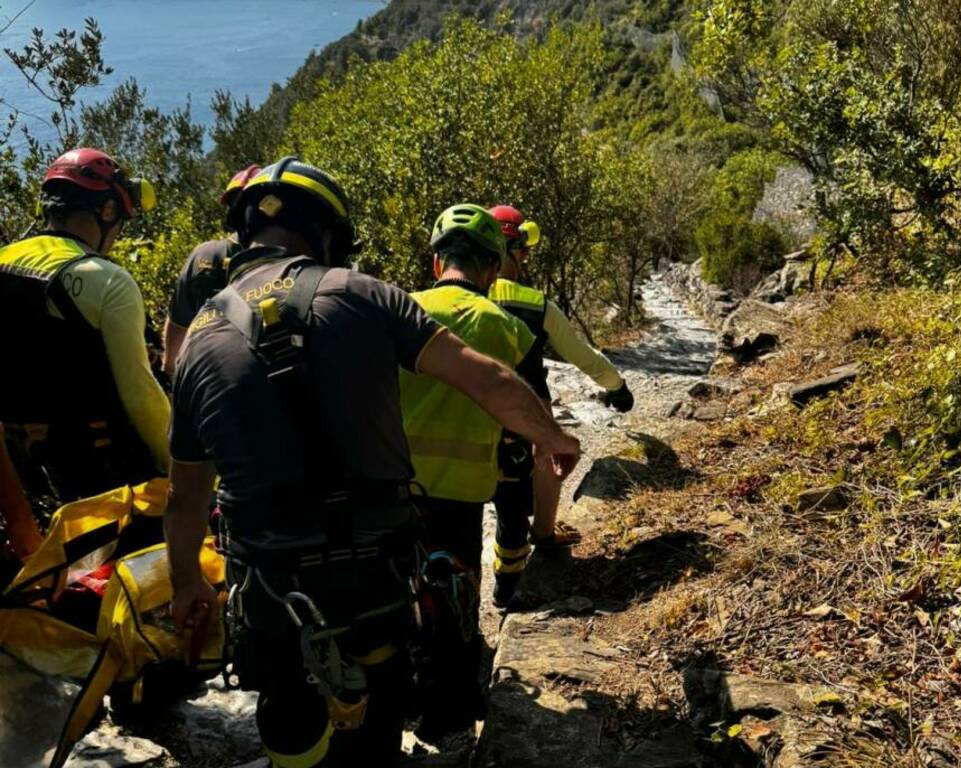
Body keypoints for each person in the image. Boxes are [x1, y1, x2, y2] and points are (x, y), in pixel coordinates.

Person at [164, 162, 579, 768]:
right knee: (378, 707)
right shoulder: (362, 295)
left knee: (286, 711)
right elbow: (484, 377)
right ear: (327, 234)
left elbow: (186, 497)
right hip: (372, 568)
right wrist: (552, 437)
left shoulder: (199, 336)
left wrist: (186, 584)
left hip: (269, 579)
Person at [398, 203, 550, 740]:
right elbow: (534, 417)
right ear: (492, 268)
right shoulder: (507, 328)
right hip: (461, 494)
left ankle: (404, 701)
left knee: (400, 600)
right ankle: (451, 716)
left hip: (392, 491)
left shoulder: (396, 312)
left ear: (438, 264)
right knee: (456, 604)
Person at [486, 204, 634, 607]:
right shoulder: (535, 304)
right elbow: (581, 356)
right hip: (528, 411)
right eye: (525, 251)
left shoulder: (453, 296)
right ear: (514, 250)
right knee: (549, 454)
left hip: (465, 414)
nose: (527, 259)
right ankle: (545, 532)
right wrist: (616, 387)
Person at [0, 148, 166, 503]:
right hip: (107, 479)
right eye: (120, 222)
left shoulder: (4, 261)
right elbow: (141, 397)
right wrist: (182, 467)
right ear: (107, 211)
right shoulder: (106, 280)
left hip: (26, 479)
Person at [161, 164, 261, 375]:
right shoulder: (293, 254)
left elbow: (178, 327)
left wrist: (171, 373)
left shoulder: (205, 255)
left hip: (210, 379)